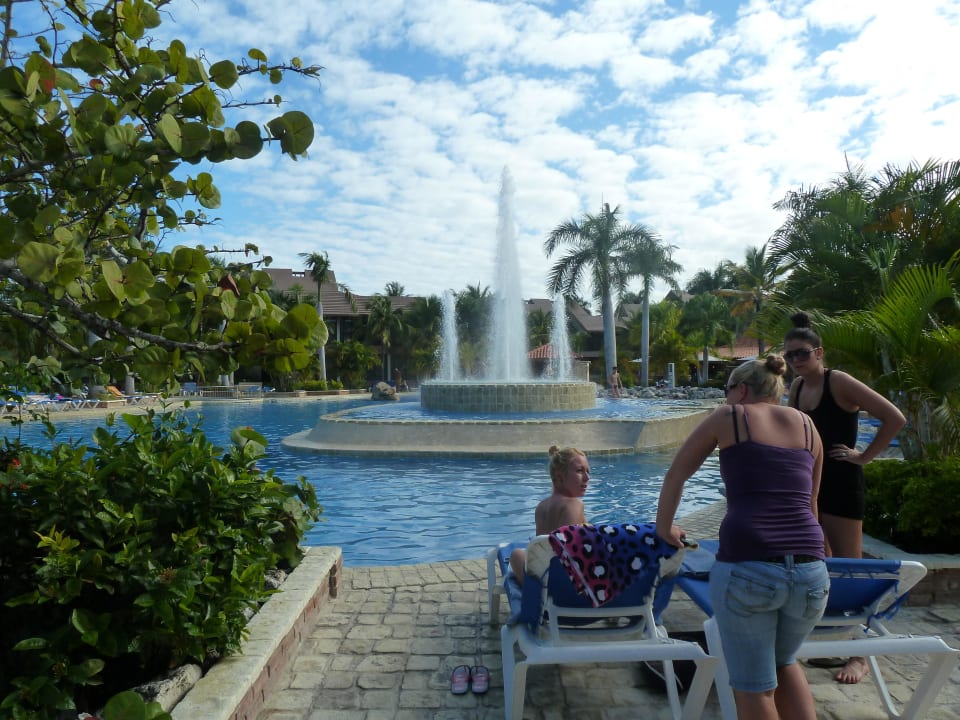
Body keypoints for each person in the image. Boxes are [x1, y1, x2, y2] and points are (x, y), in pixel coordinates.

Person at [656, 355, 828, 720]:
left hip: (750, 566)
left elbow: (676, 475)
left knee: (754, 686)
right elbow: (811, 504)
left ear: (743, 389)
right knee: (784, 662)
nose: (726, 395)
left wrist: (664, 528)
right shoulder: (809, 427)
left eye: (728, 388)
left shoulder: (729, 417)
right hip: (812, 572)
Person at [784, 311, 906, 684]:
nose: (795, 362)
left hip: (841, 484)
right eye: (789, 356)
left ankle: (859, 656)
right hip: (810, 487)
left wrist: (864, 456)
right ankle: (823, 643)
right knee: (816, 565)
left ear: (819, 352)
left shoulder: (840, 383)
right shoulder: (796, 390)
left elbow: (894, 418)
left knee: (849, 570)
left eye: (802, 354)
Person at [508, 446, 590, 586]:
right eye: (579, 471)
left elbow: (543, 555)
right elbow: (570, 555)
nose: (587, 478)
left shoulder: (541, 507)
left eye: (588, 471)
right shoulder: (574, 505)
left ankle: (534, 590)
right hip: (564, 584)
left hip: (543, 576)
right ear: (559, 476)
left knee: (516, 555)